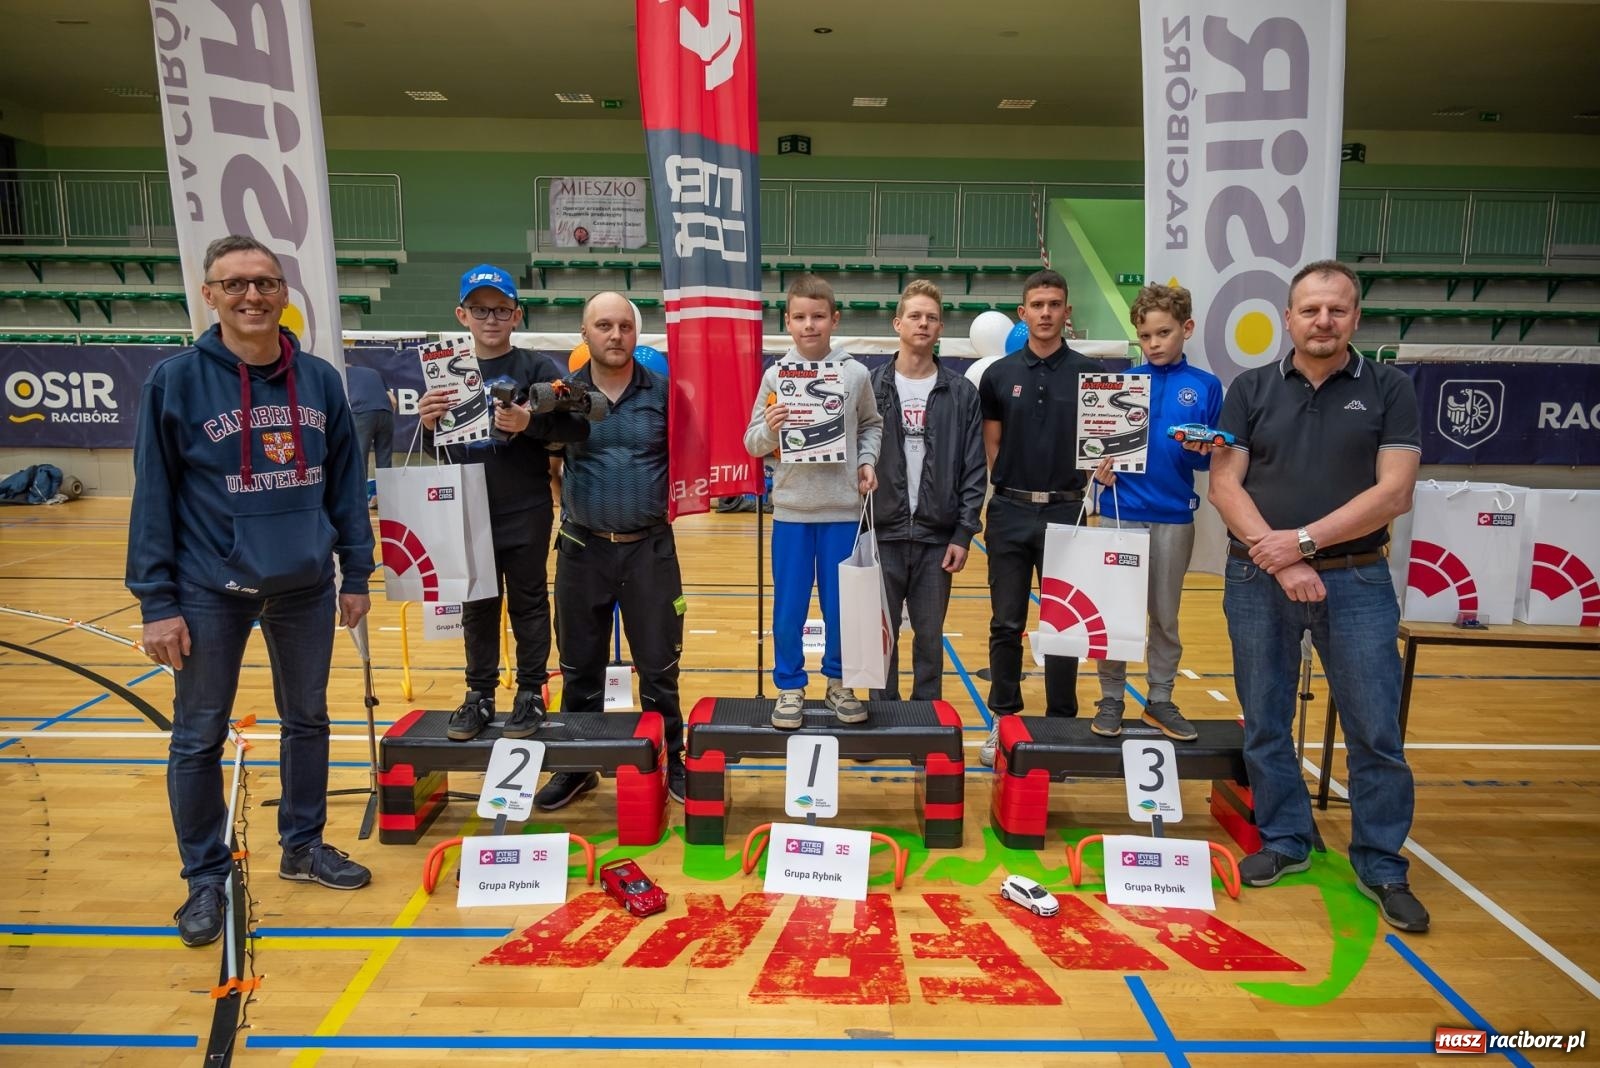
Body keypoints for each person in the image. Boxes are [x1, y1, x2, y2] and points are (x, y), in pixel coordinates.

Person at [127, 233, 376, 949]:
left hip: (304, 587)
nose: (252, 296)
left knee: (310, 721)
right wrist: (157, 602)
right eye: (235, 284)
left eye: (265, 282)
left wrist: (354, 574)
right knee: (198, 737)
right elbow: (153, 500)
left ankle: (303, 846)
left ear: (283, 293)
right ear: (210, 295)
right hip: (209, 588)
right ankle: (204, 878)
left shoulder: (322, 381)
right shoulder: (175, 381)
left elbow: (343, 490)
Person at [1209, 258, 1428, 933]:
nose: (1323, 321)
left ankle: (1381, 862)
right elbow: (1224, 484)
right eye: (1310, 310)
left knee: (1375, 729)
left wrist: (1301, 544)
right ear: (1289, 317)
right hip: (1257, 579)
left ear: (1355, 317)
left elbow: (1394, 492)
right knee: (1267, 719)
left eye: (1337, 310)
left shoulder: (1391, 388)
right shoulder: (1248, 388)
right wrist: (1281, 560)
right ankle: (1286, 840)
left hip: (1356, 579)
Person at [418, 265, 590, 743]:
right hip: (467, 507)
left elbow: (577, 428)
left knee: (529, 602)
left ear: (516, 315)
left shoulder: (536, 367)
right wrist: (429, 427)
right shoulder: (445, 371)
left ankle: (532, 691)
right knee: (477, 604)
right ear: (462, 315)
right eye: (480, 310)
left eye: (500, 310)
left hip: (526, 505)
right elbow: (440, 450)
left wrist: (528, 424)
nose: (490, 319)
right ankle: (479, 693)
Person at [538, 292, 687, 809]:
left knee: (659, 667)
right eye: (604, 325)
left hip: (650, 550)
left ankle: (674, 756)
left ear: (636, 334)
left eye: (625, 326)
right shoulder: (564, 395)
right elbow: (547, 459)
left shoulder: (666, 394)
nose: (615, 335)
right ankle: (578, 766)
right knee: (580, 667)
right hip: (583, 549)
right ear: (585, 334)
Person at [744, 273, 883, 729]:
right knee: (789, 606)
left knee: (841, 606)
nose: (810, 325)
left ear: (834, 319)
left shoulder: (856, 374)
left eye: (818, 316)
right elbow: (752, 443)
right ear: (787, 321)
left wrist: (866, 461)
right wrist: (772, 426)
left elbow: (871, 425)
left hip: (843, 510)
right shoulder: (774, 376)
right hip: (792, 513)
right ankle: (789, 686)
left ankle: (840, 683)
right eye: (800, 317)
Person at [977, 269, 1101, 767]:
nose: (1046, 313)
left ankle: (1061, 725)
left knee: (1064, 627)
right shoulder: (998, 374)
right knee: (1006, 624)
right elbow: (992, 444)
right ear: (1022, 313)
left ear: (1066, 311)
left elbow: (1106, 444)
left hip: (1068, 510)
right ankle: (1002, 721)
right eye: (1037, 304)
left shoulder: (1092, 374)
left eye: (1055, 303)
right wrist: (1013, 489)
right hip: (1009, 510)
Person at [1088, 283, 1223, 742]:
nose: (1155, 344)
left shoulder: (1205, 386)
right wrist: (1100, 470)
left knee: (1165, 615)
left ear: (1185, 329)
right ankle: (1110, 696)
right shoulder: (1120, 384)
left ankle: (1160, 699)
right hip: (1119, 514)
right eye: (1145, 336)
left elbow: (1206, 460)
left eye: (1163, 333)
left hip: (1173, 517)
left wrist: (1202, 450)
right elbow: (1095, 453)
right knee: (1114, 613)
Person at [868, 280, 985, 701]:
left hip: (939, 538)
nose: (923, 323)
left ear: (940, 329)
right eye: (915, 316)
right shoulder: (871, 386)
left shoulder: (961, 392)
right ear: (898, 323)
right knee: (882, 636)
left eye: (931, 317)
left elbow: (975, 469)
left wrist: (964, 533)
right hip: (883, 533)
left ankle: (927, 717)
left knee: (930, 639)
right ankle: (883, 717)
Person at [346, 364, 395, 508]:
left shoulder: (341, 374)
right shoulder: (374, 371)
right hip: (386, 413)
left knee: (359, 458)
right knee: (384, 459)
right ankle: (385, 501)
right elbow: (393, 400)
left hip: (362, 412)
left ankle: (359, 503)